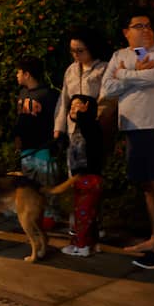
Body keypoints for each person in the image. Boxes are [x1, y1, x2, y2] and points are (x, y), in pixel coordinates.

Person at [102, 12, 154, 270]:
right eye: (139, 26)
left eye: (149, 25)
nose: (146, 30)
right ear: (126, 32)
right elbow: (107, 89)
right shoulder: (119, 56)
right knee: (147, 185)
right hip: (134, 127)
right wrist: (134, 71)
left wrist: (123, 76)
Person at [13, 55, 59, 228]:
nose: (17, 75)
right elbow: (19, 119)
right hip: (27, 148)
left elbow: (55, 120)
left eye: (19, 72)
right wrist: (17, 138)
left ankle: (50, 215)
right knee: (29, 184)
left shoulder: (48, 95)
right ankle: (32, 214)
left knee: (46, 183)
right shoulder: (23, 93)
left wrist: (55, 142)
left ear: (27, 74)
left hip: (43, 148)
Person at [59, 94, 105, 257]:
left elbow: (90, 140)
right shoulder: (81, 127)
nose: (72, 108)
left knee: (83, 215)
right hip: (83, 178)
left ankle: (83, 246)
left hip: (89, 178)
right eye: (70, 106)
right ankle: (90, 244)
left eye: (77, 105)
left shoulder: (90, 125)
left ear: (87, 107)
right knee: (85, 214)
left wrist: (83, 114)